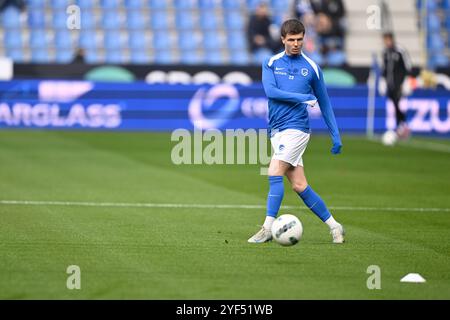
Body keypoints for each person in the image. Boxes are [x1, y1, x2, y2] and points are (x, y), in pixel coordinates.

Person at [247, 19, 345, 244]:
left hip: (297, 129)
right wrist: (302, 97)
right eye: (291, 40)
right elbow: (271, 92)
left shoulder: (311, 68)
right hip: (277, 130)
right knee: (299, 185)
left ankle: (267, 229)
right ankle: (335, 226)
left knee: (274, 171)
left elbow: (325, 102)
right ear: (282, 39)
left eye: (299, 39)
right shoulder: (271, 63)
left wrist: (335, 134)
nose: (295, 44)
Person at [382, 32, 412, 138]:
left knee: (397, 103)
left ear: (391, 39)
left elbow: (408, 65)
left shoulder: (400, 51)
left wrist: (407, 80)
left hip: (399, 83)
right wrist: (383, 80)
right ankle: (401, 125)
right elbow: (385, 69)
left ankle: (402, 125)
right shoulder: (385, 52)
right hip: (391, 84)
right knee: (395, 105)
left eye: (387, 40)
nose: (386, 42)